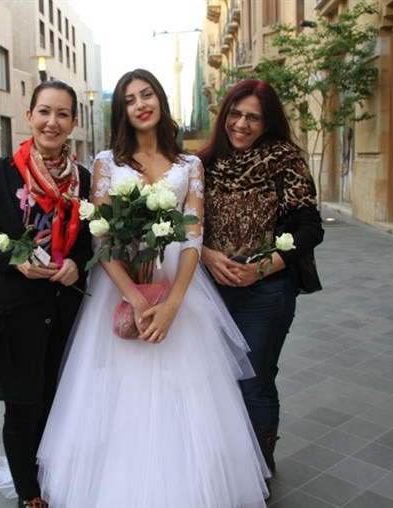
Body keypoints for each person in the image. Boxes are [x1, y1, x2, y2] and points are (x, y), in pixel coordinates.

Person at [35, 69, 269, 507]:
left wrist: (173, 303)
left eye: (147, 94)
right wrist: (135, 296)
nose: (141, 104)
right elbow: (102, 238)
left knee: (185, 394)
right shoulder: (107, 162)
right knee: (123, 391)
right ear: (122, 111)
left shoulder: (190, 165)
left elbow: (193, 237)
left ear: (160, 99)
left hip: (180, 289)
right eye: (129, 99)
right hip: (122, 287)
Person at [0, 80, 93, 508]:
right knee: (22, 407)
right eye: (44, 111)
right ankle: (28, 492)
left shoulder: (83, 180)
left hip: (64, 311)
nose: (51, 122)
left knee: (56, 403)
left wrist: (78, 264)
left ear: (73, 123)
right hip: (14, 314)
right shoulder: (1, 173)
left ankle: (51, 476)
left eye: (62, 114)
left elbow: (89, 244)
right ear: (29, 116)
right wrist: (14, 260)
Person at [197, 79, 325, 478]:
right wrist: (206, 254)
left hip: (266, 293)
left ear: (267, 123)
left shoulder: (286, 161)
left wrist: (262, 267)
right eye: (235, 114)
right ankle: (227, 463)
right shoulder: (204, 163)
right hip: (209, 290)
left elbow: (310, 228)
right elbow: (185, 225)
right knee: (214, 378)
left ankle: (259, 472)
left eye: (253, 117)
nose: (242, 124)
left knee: (255, 379)